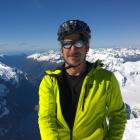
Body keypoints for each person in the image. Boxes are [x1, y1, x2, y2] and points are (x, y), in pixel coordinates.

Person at [38, 19, 127, 140]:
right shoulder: (50, 81)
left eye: (79, 43)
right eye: (67, 44)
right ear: (61, 49)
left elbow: (118, 116)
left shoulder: (106, 80)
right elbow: (47, 120)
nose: (73, 49)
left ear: (87, 47)